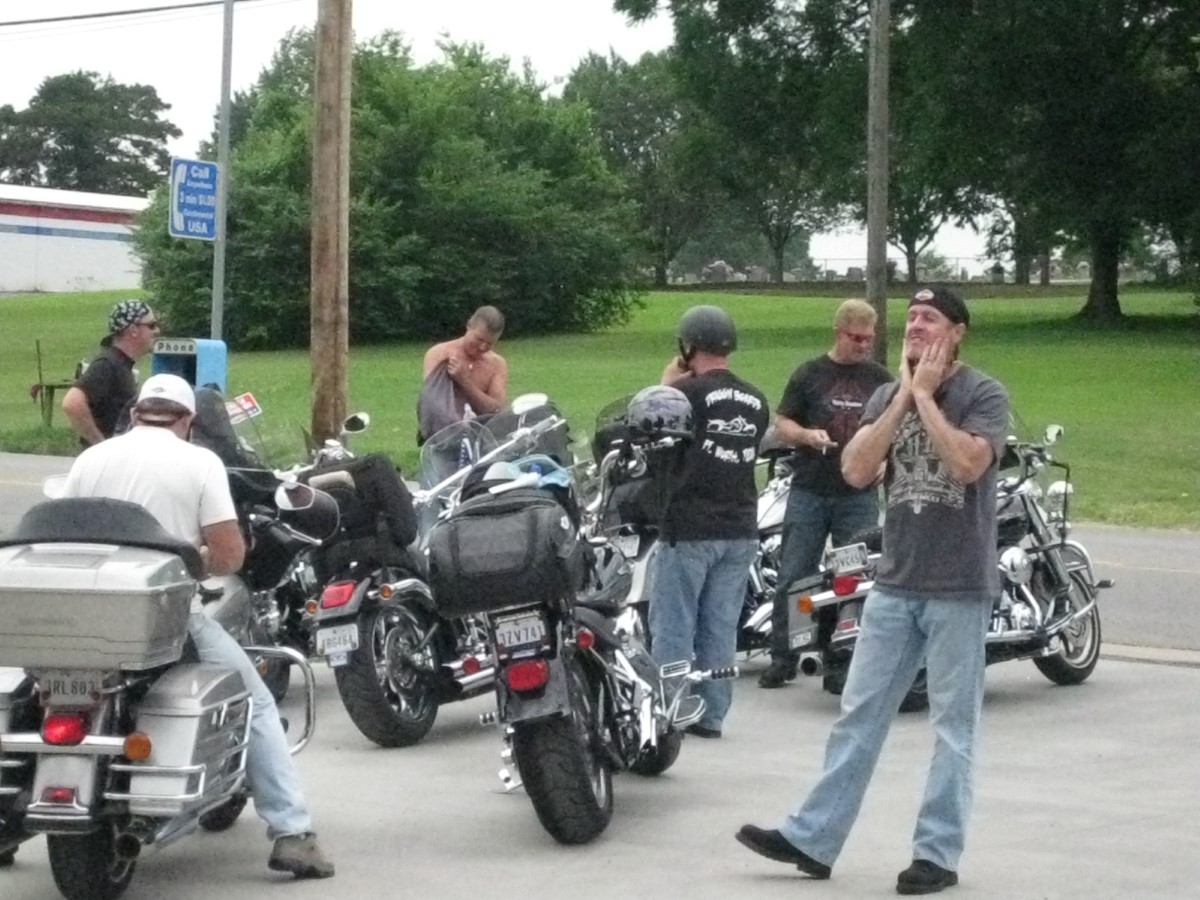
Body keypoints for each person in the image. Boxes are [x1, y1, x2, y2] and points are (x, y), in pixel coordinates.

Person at [736, 286, 1009, 896]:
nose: (915, 326)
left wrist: (928, 400)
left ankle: (936, 855)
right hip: (894, 585)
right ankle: (813, 839)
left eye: (929, 318)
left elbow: (968, 465)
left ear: (957, 332)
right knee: (858, 715)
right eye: (910, 318)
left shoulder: (983, 394)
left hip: (958, 585)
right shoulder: (887, 394)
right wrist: (905, 397)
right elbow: (857, 469)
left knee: (953, 726)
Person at [61, 374, 336, 880]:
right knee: (253, 701)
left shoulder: (90, 460)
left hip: (82, 619)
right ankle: (292, 832)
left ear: (136, 413)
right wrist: (192, 562)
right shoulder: (200, 462)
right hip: (163, 621)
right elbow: (229, 555)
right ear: (188, 420)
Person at [759, 299, 893, 689]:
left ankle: (841, 657)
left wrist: (885, 460)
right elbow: (782, 424)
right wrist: (806, 435)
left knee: (851, 577)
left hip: (857, 494)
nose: (863, 346)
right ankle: (785, 654)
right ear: (838, 333)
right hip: (810, 490)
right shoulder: (809, 374)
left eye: (869, 339)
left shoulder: (879, 379)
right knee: (795, 573)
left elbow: (895, 427)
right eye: (856, 338)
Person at [649, 305, 769, 739]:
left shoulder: (683, 394)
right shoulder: (757, 399)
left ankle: (670, 712)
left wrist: (667, 384)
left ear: (688, 345)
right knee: (720, 624)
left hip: (690, 524)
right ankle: (713, 714)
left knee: (674, 623)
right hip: (740, 526)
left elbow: (651, 431)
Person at [61, 299, 161, 447]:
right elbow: (72, 403)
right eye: (151, 325)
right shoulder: (107, 364)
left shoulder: (121, 364)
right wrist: (101, 446)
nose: (156, 331)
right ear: (133, 330)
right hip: (106, 458)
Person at [418, 305, 509, 441]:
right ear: (469, 326)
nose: (482, 347)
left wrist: (464, 381)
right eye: (479, 339)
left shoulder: (497, 364)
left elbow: (496, 410)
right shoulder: (439, 354)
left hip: (481, 439)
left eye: (489, 343)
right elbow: (432, 406)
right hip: (441, 439)